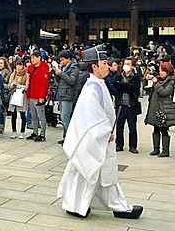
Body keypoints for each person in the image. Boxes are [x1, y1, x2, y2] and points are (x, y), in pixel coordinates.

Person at [57, 45, 143, 220]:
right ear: (94, 66)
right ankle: (84, 206)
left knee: (100, 174)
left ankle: (108, 205)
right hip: (93, 140)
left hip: (98, 139)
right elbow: (91, 117)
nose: (108, 66)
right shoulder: (91, 88)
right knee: (89, 172)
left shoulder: (98, 84)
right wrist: (105, 132)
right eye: (104, 63)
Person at [145, 63, 175, 157]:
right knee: (155, 128)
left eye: (163, 71)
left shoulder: (171, 81)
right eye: (160, 70)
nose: (161, 73)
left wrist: (156, 83)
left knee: (163, 129)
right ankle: (156, 149)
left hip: (164, 108)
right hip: (155, 107)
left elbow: (165, 92)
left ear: (168, 71)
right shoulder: (159, 79)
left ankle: (165, 150)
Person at [113, 58, 142, 154]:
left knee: (132, 127)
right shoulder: (118, 76)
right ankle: (119, 145)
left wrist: (124, 86)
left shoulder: (136, 77)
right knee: (119, 126)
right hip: (120, 104)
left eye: (128, 64)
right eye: (125, 63)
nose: (126, 65)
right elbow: (116, 87)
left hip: (131, 105)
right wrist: (126, 85)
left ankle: (133, 146)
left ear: (132, 66)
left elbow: (134, 89)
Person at [54, 50, 79, 145]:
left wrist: (61, 73)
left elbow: (72, 81)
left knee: (65, 117)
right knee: (63, 117)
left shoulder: (74, 68)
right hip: (61, 93)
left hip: (68, 95)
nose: (61, 61)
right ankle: (65, 137)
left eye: (63, 59)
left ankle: (71, 139)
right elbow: (59, 81)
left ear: (69, 59)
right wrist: (56, 73)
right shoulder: (64, 67)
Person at [26, 51, 50, 142]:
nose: (32, 60)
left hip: (38, 95)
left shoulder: (43, 68)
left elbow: (44, 84)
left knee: (41, 116)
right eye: (31, 58)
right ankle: (35, 132)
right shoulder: (31, 68)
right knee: (33, 116)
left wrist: (42, 96)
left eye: (34, 58)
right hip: (31, 94)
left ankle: (42, 134)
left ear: (39, 58)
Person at [6, 60, 29, 139]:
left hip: (22, 96)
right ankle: (14, 131)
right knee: (13, 114)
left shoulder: (27, 75)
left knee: (22, 114)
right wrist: (13, 84)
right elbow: (8, 86)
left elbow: (27, 87)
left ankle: (22, 131)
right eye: (17, 65)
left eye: (20, 65)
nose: (18, 67)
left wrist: (19, 85)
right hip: (14, 96)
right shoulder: (13, 75)